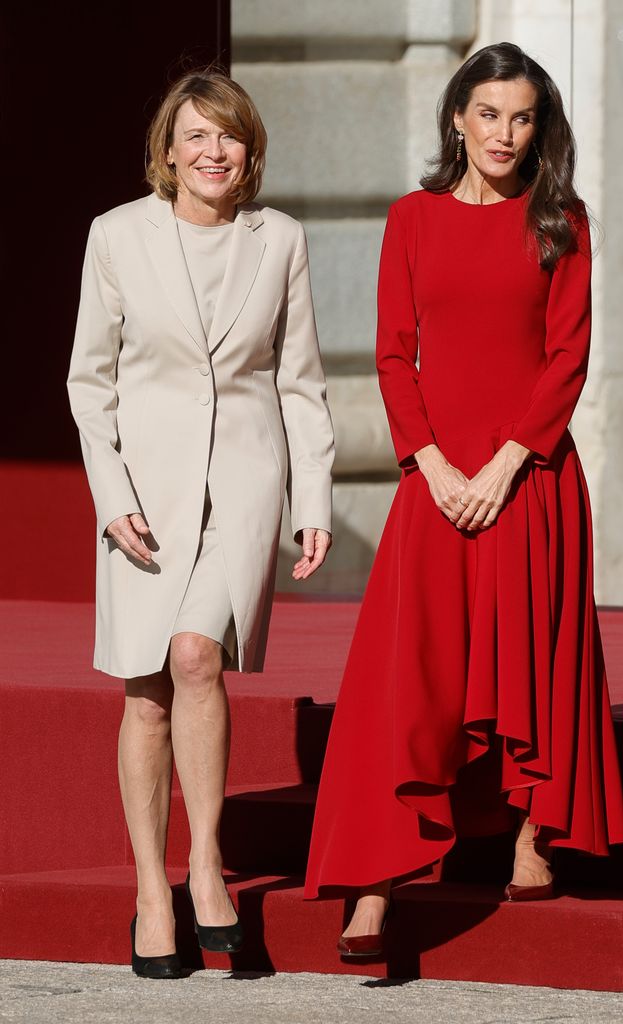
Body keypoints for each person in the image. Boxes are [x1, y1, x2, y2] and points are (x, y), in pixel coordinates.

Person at [304, 41, 623, 957]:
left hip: (529, 481)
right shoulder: (411, 218)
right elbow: (391, 351)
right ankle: (373, 887)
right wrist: (434, 465)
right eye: (488, 114)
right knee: (407, 681)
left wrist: (505, 465)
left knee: (530, 656)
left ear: (540, 128)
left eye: (522, 117)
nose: (504, 133)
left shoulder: (561, 219)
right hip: (436, 485)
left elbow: (569, 355)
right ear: (457, 117)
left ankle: (531, 836)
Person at [67, 68, 334, 978]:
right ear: (168, 150)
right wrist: (112, 497)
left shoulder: (281, 240)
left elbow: (299, 380)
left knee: (194, 655)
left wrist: (314, 500)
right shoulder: (117, 236)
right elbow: (88, 382)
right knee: (145, 689)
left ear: (249, 150)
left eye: (229, 136)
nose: (213, 151)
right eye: (197, 136)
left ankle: (207, 863)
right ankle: (152, 890)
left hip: (246, 487)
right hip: (144, 493)